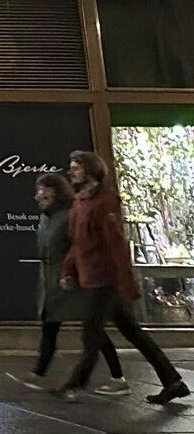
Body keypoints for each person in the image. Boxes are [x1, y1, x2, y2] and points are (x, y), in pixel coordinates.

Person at [56, 149, 190, 404]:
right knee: (133, 333)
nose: (71, 172)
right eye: (71, 167)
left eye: (77, 167)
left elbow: (117, 244)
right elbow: (78, 244)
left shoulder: (105, 202)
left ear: (91, 171)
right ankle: (172, 381)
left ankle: (74, 384)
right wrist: (68, 270)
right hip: (93, 279)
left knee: (91, 333)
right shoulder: (79, 204)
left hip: (105, 280)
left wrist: (127, 283)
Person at [12, 172, 125, 395]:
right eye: (38, 190)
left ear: (57, 191)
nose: (39, 195)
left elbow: (78, 245)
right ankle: (38, 373)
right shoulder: (46, 218)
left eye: (44, 189)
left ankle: (117, 376)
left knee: (94, 331)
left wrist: (69, 271)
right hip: (51, 280)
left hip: (71, 280)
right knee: (50, 326)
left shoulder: (68, 215)